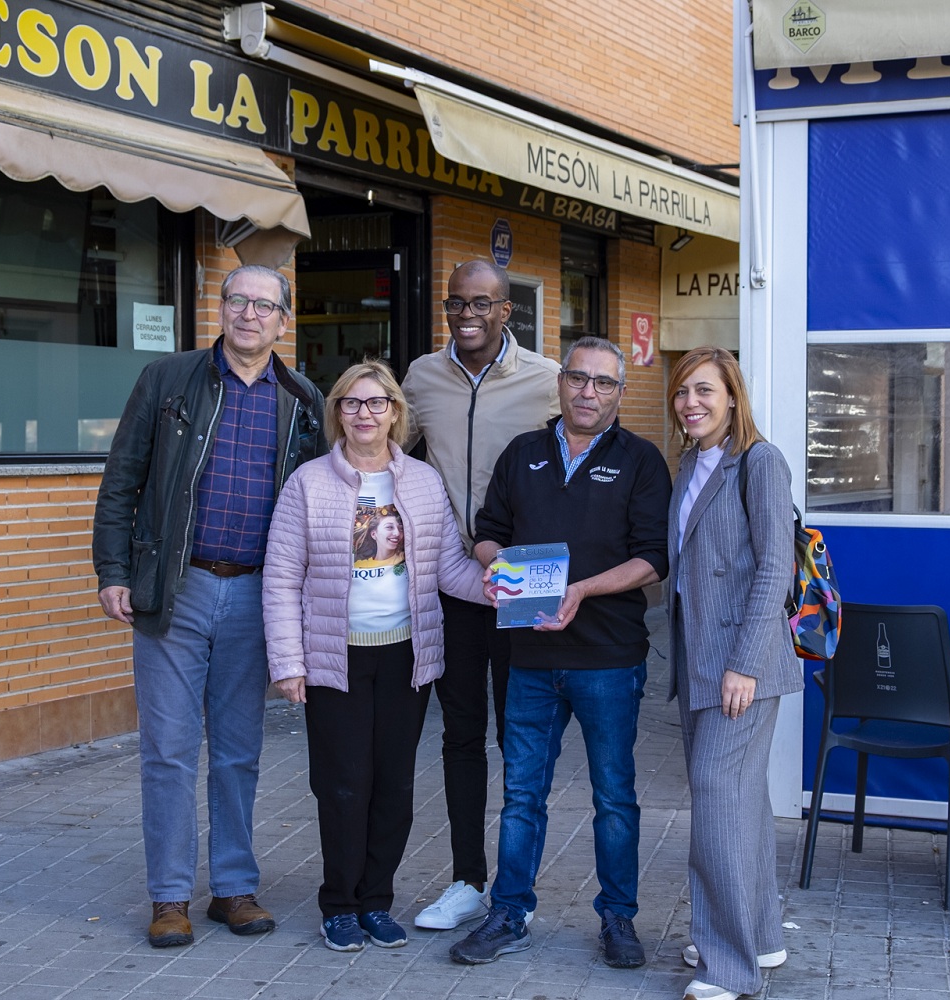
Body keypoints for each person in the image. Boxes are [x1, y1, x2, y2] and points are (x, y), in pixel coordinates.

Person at [92, 264, 325, 948]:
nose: (249, 313)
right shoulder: (168, 381)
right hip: (177, 587)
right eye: (237, 300)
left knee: (238, 751)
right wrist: (113, 569)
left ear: (285, 320)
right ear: (219, 308)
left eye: (264, 305)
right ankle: (169, 896)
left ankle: (232, 887)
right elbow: (121, 480)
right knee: (168, 748)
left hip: (257, 592)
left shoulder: (301, 399)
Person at [449, 336, 672, 968]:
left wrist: (581, 590)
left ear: (620, 393)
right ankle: (508, 913)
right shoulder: (524, 453)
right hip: (530, 659)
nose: (588, 392)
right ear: (561, 383)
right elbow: (488, 534)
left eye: (603, 383)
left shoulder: (642, 460)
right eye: (579, 378)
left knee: (614, 796)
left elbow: (653, 558)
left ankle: (619, 919)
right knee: (522, 795)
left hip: (610, 657)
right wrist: (498, 568)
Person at [262, 361, 489, 953]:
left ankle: (377, 900)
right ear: (337, 412)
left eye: (377, 403)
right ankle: (338, 904)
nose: (365, 414)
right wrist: (288, 662)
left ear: (395, 411)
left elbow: (447, 568)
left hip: (405, 659)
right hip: (334, 658)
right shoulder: (307, 484)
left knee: (392, 785)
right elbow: (282, 578)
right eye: (352, 403)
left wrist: (500, 586)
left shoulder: (421, 482)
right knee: (341, 785)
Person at [401, 259, 560, 930]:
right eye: (455, 303)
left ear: (506, 312)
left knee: (522, 739)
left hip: (524, 576)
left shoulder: (549, 381)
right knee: (461, 736)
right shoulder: (420, 377)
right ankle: (468, 880)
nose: (467, 314)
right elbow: (393, 456)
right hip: (451, 581)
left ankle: (513, 895)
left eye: (481, 304)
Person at [663, 347, 803, 1000]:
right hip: (700, 663)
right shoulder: (692, 461)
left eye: (704, 392)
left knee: (717, 803)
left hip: (741, 667)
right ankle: (759, 935)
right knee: (740, 804)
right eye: (683, 391)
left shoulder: (760, 462)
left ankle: (727, 966)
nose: (690, 403)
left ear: (733, 398)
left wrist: (744, 665)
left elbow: (775, 567)